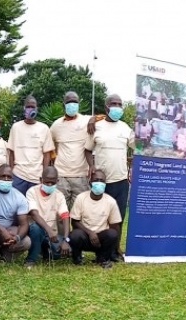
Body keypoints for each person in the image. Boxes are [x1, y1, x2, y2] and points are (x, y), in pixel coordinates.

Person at [85, 94, 134, 261]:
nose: (117, 106)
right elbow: (87, 150)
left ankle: (115, 250)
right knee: (101, 217)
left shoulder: (126, 128)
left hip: (120, 180)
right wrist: (92, 167)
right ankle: (101, 249)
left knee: (118, 217)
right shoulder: (96, 126)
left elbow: (138, 146)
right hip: (101, 182)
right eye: (113, 103)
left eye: (120, 104)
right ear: (106, 107)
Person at [69, 169, 122, 268]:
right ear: (90, 182)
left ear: (105, 184)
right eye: (96, 180)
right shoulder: (81, 198)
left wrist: (116, 246)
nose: (99, 183)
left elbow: (115, 225)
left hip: (101, 239)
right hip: (85, 237)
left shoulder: (111, 201)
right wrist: (90, 233)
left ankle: (102, 258)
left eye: (102, 181)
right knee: (74, 235)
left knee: (112, 234)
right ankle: (77, 258)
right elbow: (75, 222)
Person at [50, 91, 91, 209]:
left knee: (79, 215)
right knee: (60, 214)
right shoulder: (56, 125)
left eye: (75, 102)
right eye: (69, 102)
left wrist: (94, 120)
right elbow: (50, 146)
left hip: (81, 177)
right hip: (61, 176)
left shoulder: (87, 121)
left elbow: (103, 119)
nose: (72, 104)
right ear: (64, 104)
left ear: (79, 104)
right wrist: (54, 160)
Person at [24, 166, 71, 269]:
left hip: (51, 235)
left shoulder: (59, 195)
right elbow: (34, 214)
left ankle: (44, 252)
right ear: (41, 180)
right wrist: (48, 229)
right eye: (47, 182)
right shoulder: (32, 192)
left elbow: (65, 216)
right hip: (34, 231)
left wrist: (65, 240)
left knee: (62, 252)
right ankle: (31, 260)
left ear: (57, 181)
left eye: (52, 183)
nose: (49, 185)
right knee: (36, 229)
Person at [8, 95, 55, 195]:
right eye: (28, 106)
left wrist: (44, 174)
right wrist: (11, 172)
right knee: (17, 207)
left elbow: (47, 154)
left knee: (34, 207)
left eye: (32, 107)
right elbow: (11, 152)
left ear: (36, 109)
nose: (30, 109)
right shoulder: (16, 127)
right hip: (18, 175)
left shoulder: (44, 128)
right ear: (24, 108)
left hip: (36, 177)